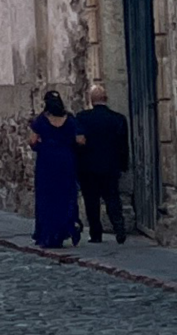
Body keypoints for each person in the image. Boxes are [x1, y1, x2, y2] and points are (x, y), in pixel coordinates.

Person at [73, 85, 129, 244]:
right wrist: (123, 165)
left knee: (91, 201)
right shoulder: (118, 119)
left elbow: (78, 143)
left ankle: (96, 233)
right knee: (112, 198)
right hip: (110, 166)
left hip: (87, 167)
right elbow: (123, 146)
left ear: (91, 100)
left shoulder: (82, 117)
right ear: (106, 99)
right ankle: (119, 228)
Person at [30, 90, 81, 248]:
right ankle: (66, 228)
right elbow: (80, 140)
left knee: (47, 197)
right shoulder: (70, 119)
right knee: (65, 195)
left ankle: (47, 233)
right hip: (66, 161)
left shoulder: (41, 120)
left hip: (47, 161)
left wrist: (42, 147)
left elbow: (32, 141)